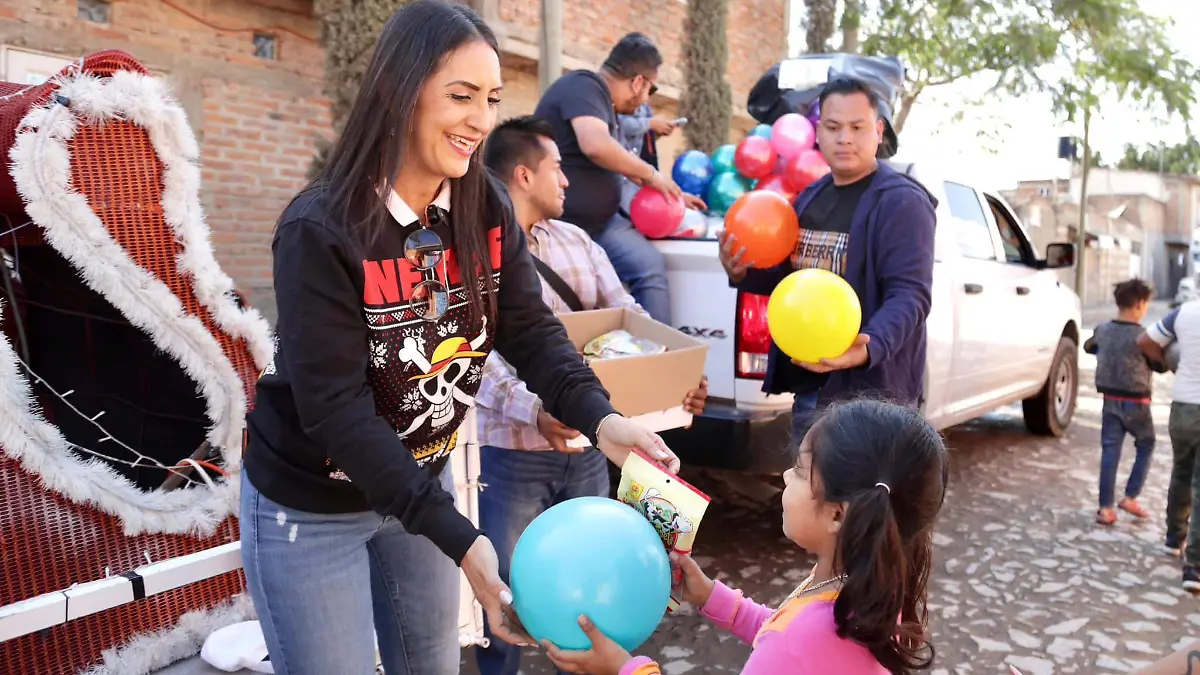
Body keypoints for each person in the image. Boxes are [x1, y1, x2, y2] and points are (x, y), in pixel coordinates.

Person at [238, 4, 680, 674]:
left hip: (419, 482)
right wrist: (462, 539)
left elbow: (530, 331)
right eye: (461, 95)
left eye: (491, 99)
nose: (480, 119)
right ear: (399, 90)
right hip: (312, 505)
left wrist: (604, 420)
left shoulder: (485, 206)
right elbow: (336, 411)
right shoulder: (320, 229)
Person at [473, 115, 709, 675]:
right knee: (506, 596)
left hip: (590, 449)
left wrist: (673, 373)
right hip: (513, 455)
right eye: (557, 168)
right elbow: (474, 355)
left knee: (591, 595)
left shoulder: (577, 241)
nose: (567, 180)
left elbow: (630, 318)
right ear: (524, 175)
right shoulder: (472, 250)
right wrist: (537, 411)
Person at [541, 399, 950, 675]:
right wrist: (710, 596)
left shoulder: (809, 632)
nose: (785, 476)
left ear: (837, 514)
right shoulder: (868, 588)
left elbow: (790, 645)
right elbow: (786, 638)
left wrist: (624, 668)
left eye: (800, 471)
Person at [718, 77, 937, 439]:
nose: (845, 138)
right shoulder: (810, 197)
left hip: (872, 400)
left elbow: (911, 295)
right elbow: (791, 280)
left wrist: (869, 347)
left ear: (879, 131)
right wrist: (742, 272)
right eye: (833, 127)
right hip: (811, 392)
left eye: (857, 127)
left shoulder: (903, 202)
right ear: (818, 132)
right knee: (808, 478)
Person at [533, 32, 704, 324]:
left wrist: (672, 194)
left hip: (603, 225)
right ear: (638, 82)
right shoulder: (584, 86)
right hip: (559, 228)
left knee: (650, 267)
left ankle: (658, 349)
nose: (646, 100)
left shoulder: (605, 106)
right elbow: (595, 145)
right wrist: (651, 174)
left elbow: (626, 166)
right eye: (651, 89)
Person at [1083, 278, 1160, 526]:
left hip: (1110, 400)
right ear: (1139, 304)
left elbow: (1089, 347)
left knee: (1110, 451)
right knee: (1146, 444)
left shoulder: (1102, 330)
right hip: (1137, 402)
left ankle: (1105, 508)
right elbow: (1159, 365)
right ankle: (1130, 497)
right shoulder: (1144, 337)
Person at [1140, 298, 1200, 590]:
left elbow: (1146, 341)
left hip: (1184, 406)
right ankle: (1194, 567)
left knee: (1181, 473)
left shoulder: (1185, 312)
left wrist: (1168, 363)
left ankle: (1174, 539)